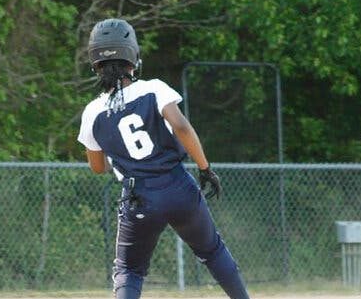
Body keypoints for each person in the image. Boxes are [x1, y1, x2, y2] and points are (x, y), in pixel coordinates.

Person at [77, 18, 251, 299]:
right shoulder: (153, 89)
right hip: (178, 185)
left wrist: (121, 157)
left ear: (95, 64)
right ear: (133, 59)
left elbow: (97, 167)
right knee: (212, 250)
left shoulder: (92, 112)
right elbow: (181, 127)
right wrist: (205, 169)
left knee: (129, 270)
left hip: (139, 195)